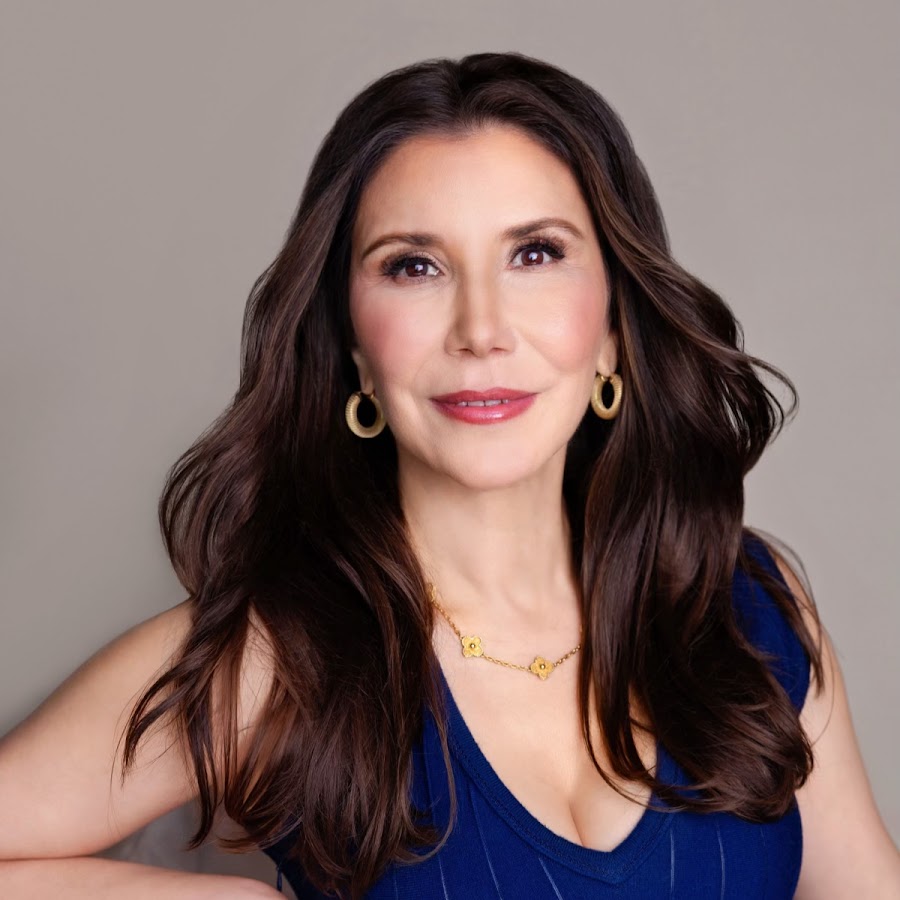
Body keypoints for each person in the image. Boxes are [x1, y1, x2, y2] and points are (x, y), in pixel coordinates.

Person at [1, 51, 897, 900]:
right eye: (414, 266)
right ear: (354, 347)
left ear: (615, 327)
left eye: (535, 254)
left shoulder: (746, 608)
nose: (481, 329)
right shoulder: (277, 660)